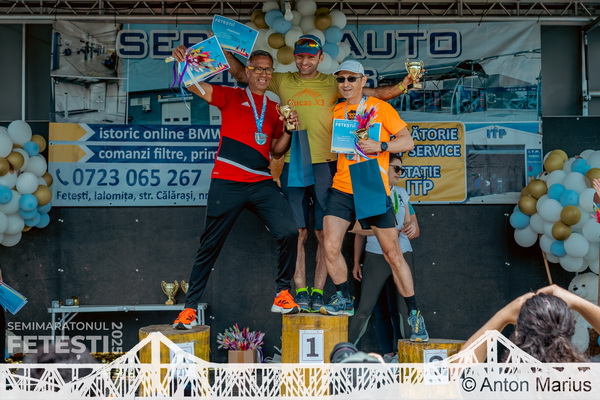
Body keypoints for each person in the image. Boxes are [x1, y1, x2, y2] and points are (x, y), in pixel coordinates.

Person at [222, 35, 418, 313]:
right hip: (296, 162)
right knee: (298, 232)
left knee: (327, 234)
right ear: (294, 56)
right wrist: (221, 48)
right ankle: (302, 291)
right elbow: (244, 74)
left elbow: (375, 95)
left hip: (330, 166)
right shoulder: (282, 80)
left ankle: (321, 292)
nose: (305, 61)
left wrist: (403, 84)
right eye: (300, 56)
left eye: (310, 57)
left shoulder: (335, 85)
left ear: (320, 58)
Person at [170, 48, 301, 329]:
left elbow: (277, 151)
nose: (263, 74)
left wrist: (289, 130)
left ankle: (282, 293)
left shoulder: (275, 108)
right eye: (258, 68)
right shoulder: (231, 96)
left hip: (260, 180)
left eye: (268, 69)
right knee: (210, 245)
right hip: (227, 181)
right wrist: (183, 64)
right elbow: (194, 86)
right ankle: (188, 309)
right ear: (248, 71)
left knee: (289, 231)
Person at [319, 60, 418, 329]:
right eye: (341, 79)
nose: (346, 84)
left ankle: (414, 315)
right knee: (330, 244)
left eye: (352, 78)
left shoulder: (381, 108)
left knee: (393, 254)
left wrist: (381, 145)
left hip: (373, 186)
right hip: (343, 186)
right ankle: (343, 298)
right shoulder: (337, 110)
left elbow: (408, 141)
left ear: (363, 81)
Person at [350, 153, 428, 349]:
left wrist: (410, 227)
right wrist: (356, 261)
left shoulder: (402, 193)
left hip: (403, 252)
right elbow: (357, 229)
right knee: (365, 308)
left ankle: (406, 355)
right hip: (376, 253)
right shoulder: (371, 193)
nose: (400, 173)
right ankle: (344, 350)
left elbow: (413, 228)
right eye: (396, 168)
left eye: (402, 169)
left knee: (404, 308)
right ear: (384, 168)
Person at [462, 284, 600, 362]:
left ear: (518, 333)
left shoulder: (503, 384)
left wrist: (503, 316)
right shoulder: (586, 381)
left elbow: (459, 375)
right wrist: (576, 302)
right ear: (570, 328)